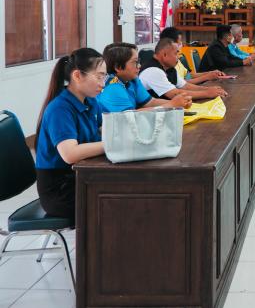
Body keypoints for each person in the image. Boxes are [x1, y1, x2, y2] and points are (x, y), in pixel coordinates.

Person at [34, 48, 107, 219]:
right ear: (77, 76)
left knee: (126, 188)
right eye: (99, 76)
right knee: (119, 198)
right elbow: (70, 154)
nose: (103, 83)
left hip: (80, 176)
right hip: (60, 190)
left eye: (105, 77)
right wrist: (112, 144)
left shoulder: (90, 101)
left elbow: (108, 126)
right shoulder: (60, 108)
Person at [98, 42, 192, 112]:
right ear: (118, 67)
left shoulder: (132, 80)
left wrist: (179, 102)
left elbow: (149, 102)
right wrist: (171, 105)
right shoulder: (113, 87)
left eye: (138, 62)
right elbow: (131, 117)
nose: (139, 66)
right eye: (135, 62)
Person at [139, 37, 228, 100]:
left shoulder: (169, 68)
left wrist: (208, 89)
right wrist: (207, 93)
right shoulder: (153, 70)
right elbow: (174, 94)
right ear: (164, 54)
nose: (178, 57)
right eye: (176, 53)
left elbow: (185, 85)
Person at [159, 27, 225, 84]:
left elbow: (188, 75)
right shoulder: (168, 63)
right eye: (179, 41)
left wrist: (210, 73)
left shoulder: (177, 59)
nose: (181, 44)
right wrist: (206, 77)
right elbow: (181, 84)